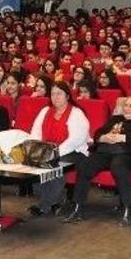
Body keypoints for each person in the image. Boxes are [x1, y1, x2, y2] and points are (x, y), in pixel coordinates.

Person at [63, 95, 131, 225]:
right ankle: (77, 207)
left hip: (130, 154)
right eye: (126, 105)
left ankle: (128, 208)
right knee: (85, 165)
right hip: (107, 152)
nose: (126, 108)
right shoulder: (116, 119)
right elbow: (98, 133)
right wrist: (104, 138)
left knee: (118, 166)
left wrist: (122, 138)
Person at [28, 82, 90, 217]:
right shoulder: (45, 111)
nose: (55, 97)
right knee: (33, 162)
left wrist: (53, 153)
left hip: (74, 152)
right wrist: (38, 150)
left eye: (59, 94)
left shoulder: (76, 113)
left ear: (67, 95)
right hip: (48, 149)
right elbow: (35, 133)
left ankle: (44, 206)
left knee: (56, 165)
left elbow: (75, 141)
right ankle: (54, 199)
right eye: (53, 94)